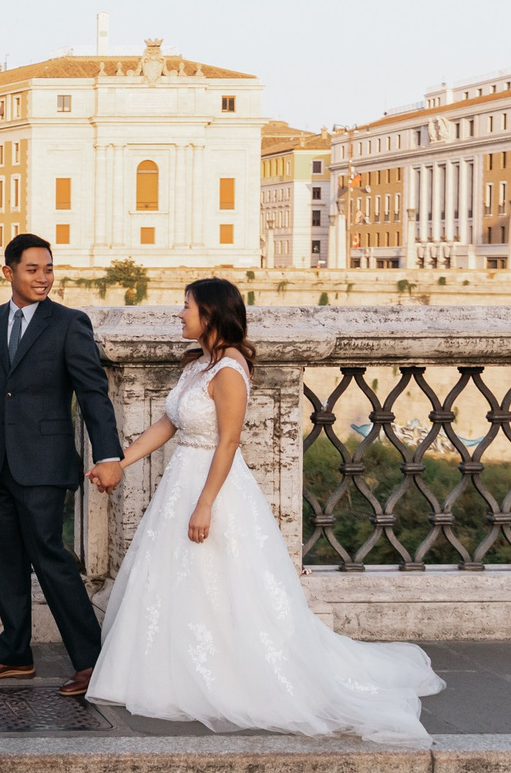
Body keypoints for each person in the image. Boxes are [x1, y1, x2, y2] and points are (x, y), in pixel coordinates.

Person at [88, 277, 445, 742]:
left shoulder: (230, 371)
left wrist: (205, 504)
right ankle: (170, 672)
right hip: (180, 482)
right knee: (176, 580)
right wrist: (117, 462)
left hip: (212, 485)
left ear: (211, 315)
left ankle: (225, 674)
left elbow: (229, 443)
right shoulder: (198, 364)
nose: (180, 313)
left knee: (222, 582)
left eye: (187, 306)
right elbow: (167, 424)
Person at [0, 233, 123, 695]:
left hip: (44, 461)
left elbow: (92, 394)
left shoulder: (69, 323)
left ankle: (90, 661)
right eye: (32, 270)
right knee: (5, 559)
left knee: (50, 555)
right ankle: (14, 655)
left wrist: (108, 456)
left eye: (48, 269)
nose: (43, 278)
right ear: (8, 273)